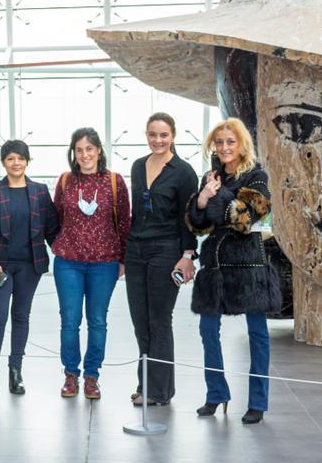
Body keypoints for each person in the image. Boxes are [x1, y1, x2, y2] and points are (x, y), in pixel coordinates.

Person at [187, 118, 280, 425]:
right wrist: (202, 199)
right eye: (219, 142)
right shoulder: (210, 177)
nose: (224, 147)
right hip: (214, 264)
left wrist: (222, 198)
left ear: (242, 145)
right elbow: (201, 224)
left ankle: (257, 402)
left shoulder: (257, 176)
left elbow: (245, 221)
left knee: (257, 335)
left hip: (247, 264)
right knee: (207, 331)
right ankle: (216, 394)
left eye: (230, 142)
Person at [125, 113, 198, 407]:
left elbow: (189, 218)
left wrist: (187, 255)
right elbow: (136, 212)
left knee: (159, 320)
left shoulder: (183, 172)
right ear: (146, 134)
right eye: (152, 134)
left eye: (163, 135)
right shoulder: (138, 166)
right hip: (135, 251)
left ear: (173, 136)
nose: (158, 140)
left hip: (166, 251)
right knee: (140, 322)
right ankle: (148, 386)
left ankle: (158, 391)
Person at [0, 140, 58, 398]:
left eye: (20, 158)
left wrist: (70, 254)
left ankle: (15, 371)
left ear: (27, 161)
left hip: (30, 266)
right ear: (3, 163)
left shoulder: (40, 192)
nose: (16, 163)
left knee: (21, 316)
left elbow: (52, 229)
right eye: (10, 158)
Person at [52, 127, 131, 400]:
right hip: (68, 264)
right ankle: (71, 374)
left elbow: (124, 222)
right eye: (79, 149)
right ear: (73, 153)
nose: (84, 154)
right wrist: (60, 245)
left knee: (97, 321)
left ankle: (92, 376)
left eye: (89, 148)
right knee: (70, 321)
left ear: (98, 150)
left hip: (104, 263)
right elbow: (56, 219)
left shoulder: (114, 181)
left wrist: (122, 259)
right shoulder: (65, 181)